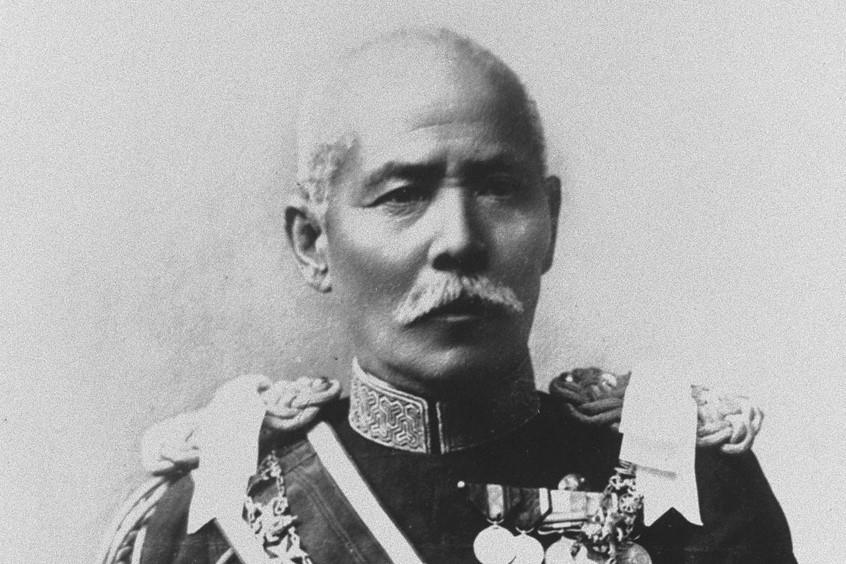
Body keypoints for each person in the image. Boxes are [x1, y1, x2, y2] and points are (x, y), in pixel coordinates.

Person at [124, 28, 795, 564]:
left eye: (498, 189)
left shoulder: (691, 492)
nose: (460, 240)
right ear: (312, 243)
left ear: (551, 221)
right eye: (403, 196)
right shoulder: (211, 519)